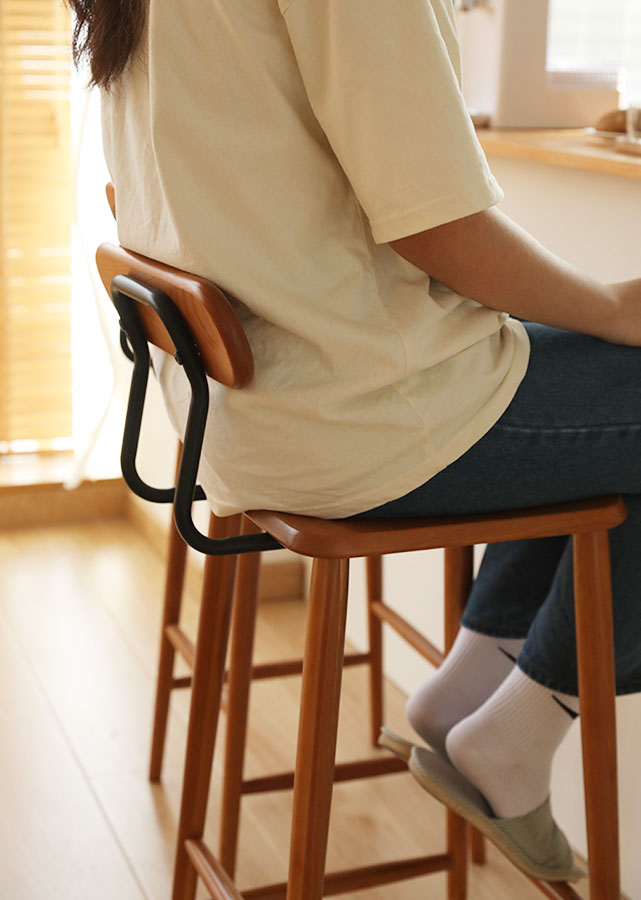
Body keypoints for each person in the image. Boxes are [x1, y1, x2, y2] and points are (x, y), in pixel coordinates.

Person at [68, 0, 641, 883]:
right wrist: (606, 304)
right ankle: (518, 735)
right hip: (357, 415)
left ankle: (468, 691)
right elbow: (434, 223)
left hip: (251, 414)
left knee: (583, 387)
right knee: (593, 362)